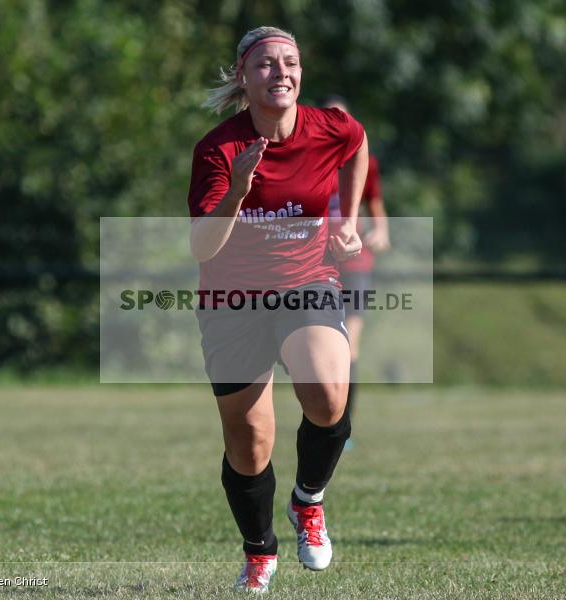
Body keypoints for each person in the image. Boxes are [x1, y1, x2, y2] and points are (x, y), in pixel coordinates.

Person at [188, 27, 368, 592]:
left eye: (290, 62)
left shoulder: (328, 126)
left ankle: (308, 501)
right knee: (249, 443)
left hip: (307, 282)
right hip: (232, 301)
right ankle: (259, 550)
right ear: (244, 77)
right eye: (266, 64)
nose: (281, 72)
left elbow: (358, 144)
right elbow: (201, 247)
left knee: (328, 392)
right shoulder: (218, 149)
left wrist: (348, 221)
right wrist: (237, 191)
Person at [324, 96, 390, 450]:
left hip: (355, 265)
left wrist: (380, 232)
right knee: (320, 350)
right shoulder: (309, 161)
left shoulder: (365, 162)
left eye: (343, 119)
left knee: (348, 347)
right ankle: (324, 421)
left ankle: (342, 429)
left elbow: (376, 208)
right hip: (317, 266)